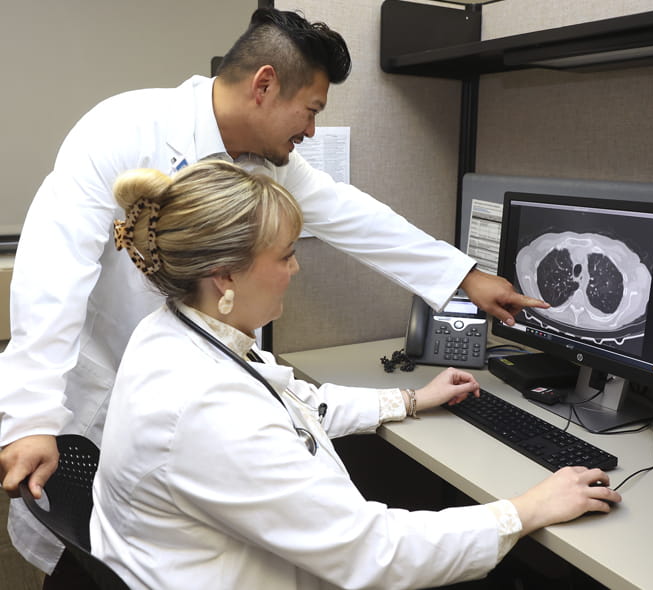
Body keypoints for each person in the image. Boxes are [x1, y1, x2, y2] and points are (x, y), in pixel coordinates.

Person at [0, 7, 547, 582]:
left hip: (185, 389)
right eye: (311, 110)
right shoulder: (124, 129)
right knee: (114, 553)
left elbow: (352, 215)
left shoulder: (266, 165)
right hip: (112, 389)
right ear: (264, 85)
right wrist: (31, 415)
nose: (312, 130)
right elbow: (51, 277)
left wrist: (463, 279)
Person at [89, 160, 621, 590]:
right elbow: (371, 554)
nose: (296, 269)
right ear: (225, 275)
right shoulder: (205, 405)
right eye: (287, 255)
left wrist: (408, 400)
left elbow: (295, 407)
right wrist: (524, 511)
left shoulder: (173, 331)